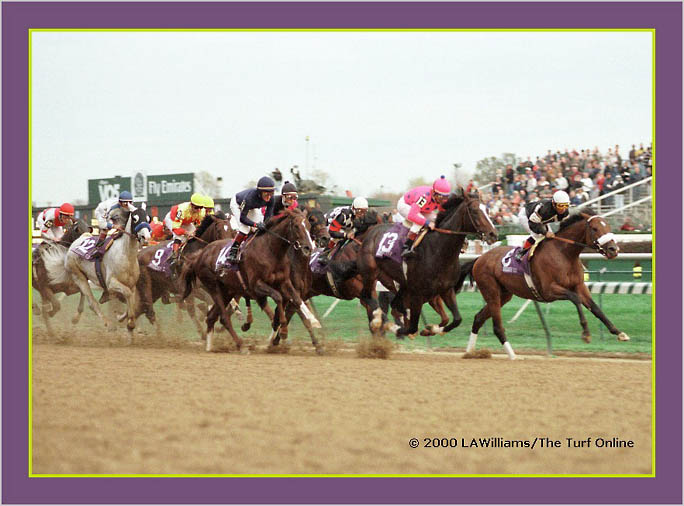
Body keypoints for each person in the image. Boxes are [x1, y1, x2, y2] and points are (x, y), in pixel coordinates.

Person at [397, 175, 451, 258]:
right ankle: (406, 247)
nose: (443, 200)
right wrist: (427, 223)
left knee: (437, 220)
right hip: (406, 205)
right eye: (441, 197)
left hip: (423, 209)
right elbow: (412, 215)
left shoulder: (440, 199)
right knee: (419, 223)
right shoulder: (424, 198)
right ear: (434, 193)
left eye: (446, 197)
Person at [226, 176, 276, 262]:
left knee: (259, 228)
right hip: (237, 204)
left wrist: (263, 225)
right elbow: (242, 218)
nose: (268, 197)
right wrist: (256, 224)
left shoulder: (272, 199)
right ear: (260, 192)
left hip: (252, 207)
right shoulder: (250, 198)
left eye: (271, 194)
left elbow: (268, 217)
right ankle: (233, 251)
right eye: (266, 194)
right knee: (245, 228)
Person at [515, 190, 570, 261]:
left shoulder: (565, 212)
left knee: (551, 237)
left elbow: (565, 225)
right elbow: (533, 224)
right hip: (527, 216)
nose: (563, 209)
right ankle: (521, 252)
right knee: (537, 235)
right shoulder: (544, 209)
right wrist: (545, 232)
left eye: (566, 205)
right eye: (560, 206)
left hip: (542, 220)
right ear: (553, 204)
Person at [318, 197, 369, 265]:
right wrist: (345, 235)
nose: (362, 214)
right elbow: (332, 232)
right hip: (327, 223)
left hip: (342, 225)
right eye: (359, 211)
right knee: (338, 237)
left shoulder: (360, 217)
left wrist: (352, 232)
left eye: (364, 211)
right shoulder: (343, 215)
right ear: (353, 208)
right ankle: (324, 254)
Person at [164, 193, 206, 261]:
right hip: (172, 219)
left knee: (195, 234)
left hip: (185, 221)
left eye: (200, 207)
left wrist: (195, 231)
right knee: (179, 236)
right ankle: (174, 256)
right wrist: (186, 232)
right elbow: (176, 228)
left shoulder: (202, 211)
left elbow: (199, 225)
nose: (198, 210)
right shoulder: (182, 210)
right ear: (191, 205)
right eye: (196, 207)